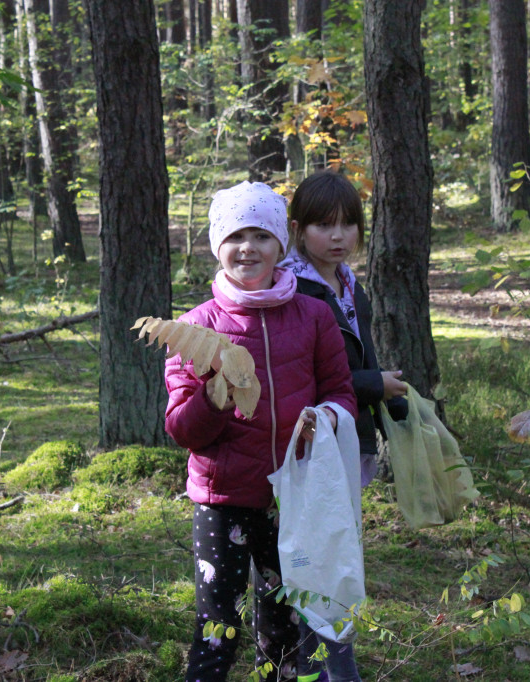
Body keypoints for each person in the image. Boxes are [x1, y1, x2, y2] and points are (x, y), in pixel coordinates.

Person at [164, 180, 358, 682]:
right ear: (217, 246)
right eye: (234, 236)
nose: (247, 247)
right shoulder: (195, 328)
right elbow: (182, 430)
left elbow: (341, 390)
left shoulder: (314, 316)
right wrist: (212, 399)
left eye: (260, 236)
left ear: (280, 244)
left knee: (284, 621)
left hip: (292, 499)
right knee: (218, 623)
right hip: (222, 499)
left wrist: (328, 417)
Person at [280, 170, 409, 682]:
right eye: (322, 226)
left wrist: (385, 406)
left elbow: (361, 355)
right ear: (297, 229)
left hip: (348, 440)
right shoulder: (295, 291)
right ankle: (328, 664)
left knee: (341, 549)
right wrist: (375, 385)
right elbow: (311, 378)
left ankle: (328, 659)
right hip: (312, 447)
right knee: (320, 555)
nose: (337, 237)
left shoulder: (350, 284)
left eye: (347, 225)